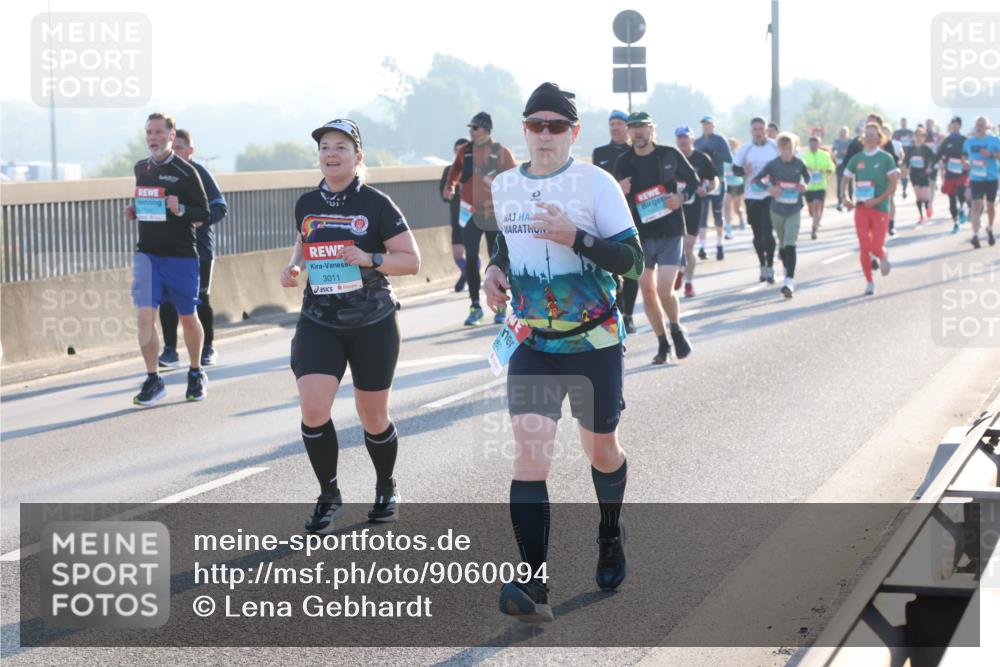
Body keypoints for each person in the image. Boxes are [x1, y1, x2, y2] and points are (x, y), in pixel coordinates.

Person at [482, 82, 644, 622]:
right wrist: (493, 270)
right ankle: (535, 586)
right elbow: (504, 242)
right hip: (533, 343)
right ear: (524, 131)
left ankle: (609, 530)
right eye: (536, 125)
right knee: (530, 459)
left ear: (574, 132)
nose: (545, 134)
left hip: (595, 341)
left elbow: (634, 262)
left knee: (601, 450)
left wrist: (577, 237)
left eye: (556, 125)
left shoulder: (595, 184)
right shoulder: (505, 185)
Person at [281, 119, 421, 531]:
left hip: (372, 320)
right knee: (312, 406)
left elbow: (412, 261)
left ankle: (386, 486)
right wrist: (293, 266)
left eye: (341, 147)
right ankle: (329, 494)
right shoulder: (306, 202)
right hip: (319, 319)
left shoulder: (377, 204)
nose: (331, 153)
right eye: (325, 146)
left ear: (358, 157)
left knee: (372, 415)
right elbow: (305, 241)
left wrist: (370, 258)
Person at [124, 112, 209, 406]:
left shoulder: (186, 172)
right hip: (147, 254)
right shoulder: (141, 168)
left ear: (171, 136)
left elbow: (205, 212)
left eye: (159, 132)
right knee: (144, 316)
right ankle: (153, 378)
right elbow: (145, 201)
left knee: (187, 316)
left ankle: (196, 372)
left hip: (181, 256)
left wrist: (182, 208)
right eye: (149, 132)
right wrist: (134, 210)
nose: (153, 138)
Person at [614, 111, 697, 364]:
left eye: (643, 127)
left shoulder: (668, 154)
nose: (638, 132)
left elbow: (693, 180)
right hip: (640, 235)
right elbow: (611, 200)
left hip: (670, 230)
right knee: (647, 292)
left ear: (652, 130)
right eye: (634, 128)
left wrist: (680, 198)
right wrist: (620, 189)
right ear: (629, 132)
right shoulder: (623, 162)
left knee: (663, 290)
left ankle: (676, 326)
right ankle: (662, 343)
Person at [157, 129, 227, 369]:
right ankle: (169, 351)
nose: (174, 153)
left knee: (199, 299)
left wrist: (199, 219)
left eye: (178, 149)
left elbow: (220, 207)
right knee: (166, 300)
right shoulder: (160, 173)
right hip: (169, 248)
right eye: (171, 148)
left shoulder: (199, 172)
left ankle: (208, 347)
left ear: (190, 151)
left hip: (199, 250)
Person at [443, 112, 517, 325]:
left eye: (474, 128)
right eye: (470, 128)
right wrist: (450, 186)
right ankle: (475, 306)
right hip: (471, 214)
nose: (471, 131)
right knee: (472, 260)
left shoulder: (501, 152)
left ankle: (501, 307)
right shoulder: (465, 151)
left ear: (485, 129)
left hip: (494, 215)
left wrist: (496, 181)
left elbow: (515, 180)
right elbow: (454, 171)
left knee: (498, 261)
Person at [593, 110, 638, 332]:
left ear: (627, 127)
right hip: (603, 219)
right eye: (612, 123)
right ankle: (615, 312)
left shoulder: (634, 153)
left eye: (619, 123)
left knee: (630, 269)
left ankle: (628, 314)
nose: (615, 127)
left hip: (630, 218)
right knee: (609, 270)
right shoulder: (600, 153)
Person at [843, 122, 899, 295]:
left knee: (875, 246)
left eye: (873, 135)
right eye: (867, 135)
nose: (869, 138)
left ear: (879, 138)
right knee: (864, 246)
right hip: (861, 208)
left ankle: (881, 254)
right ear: (863, 137)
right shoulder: (857, 159)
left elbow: (893, 185)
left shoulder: (886, 158)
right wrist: (845, 197)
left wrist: (877, 200)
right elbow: (845, 180)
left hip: (880, 208)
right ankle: (869, 281)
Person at [752, 133, 810, 298]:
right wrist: (768, 189)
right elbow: (755, 181)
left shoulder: (799, 163)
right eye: (783, 148)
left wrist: (805, 184)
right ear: (778, 149)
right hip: (776, 210)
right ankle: (787, 271)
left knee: (791, 243)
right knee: (783, 244)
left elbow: (807, 176)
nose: (786, 151)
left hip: (794, 209)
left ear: (794, 148)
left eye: (789, 148)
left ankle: (788, 282)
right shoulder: (773, 165)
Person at [733, 117, 779, 283]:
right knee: (757, 235)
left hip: (770, 196)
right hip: (752, 196)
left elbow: (784, 164)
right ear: (751, 131)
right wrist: (742, 170)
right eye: (755, 129)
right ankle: (762, 264)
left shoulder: (774, 146)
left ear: (766, 130)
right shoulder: (746, 148)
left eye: (761, 129)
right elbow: (735, 169)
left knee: (768, 233)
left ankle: (771, 266)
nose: (758, 132)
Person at [676, 126, 718, 298]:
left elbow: (714, 180)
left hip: (694, 208)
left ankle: (688, 283)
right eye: (680, 138)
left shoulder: (701, 159)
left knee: (688, 248)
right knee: (676, 248)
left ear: (692, 139)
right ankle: (679, 270)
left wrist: (706, 188)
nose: (683, 141)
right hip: (674, 209)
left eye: (686, 138)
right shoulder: (672, 158)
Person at [694, 115, 733, 260]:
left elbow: (729, 158)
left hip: (718, 180)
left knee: (717, 214)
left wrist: (714, 153)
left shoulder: (719, 140)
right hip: (703, 182)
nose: (706, 126)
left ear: (713, 125)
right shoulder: (697, 142)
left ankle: (719, 245)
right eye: (704, 124)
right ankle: (702, 247)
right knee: (702, 215)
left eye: (709, 124)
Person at [962, 115, 1000, 248]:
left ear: (987, 127)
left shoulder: (994, 140)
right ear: (975, 126)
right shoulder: (969, 142)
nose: (979, 127)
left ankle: (989, 228)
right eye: (978, 124)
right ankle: (975, 235)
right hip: (976, 178)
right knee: (976, 205)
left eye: (982, 124)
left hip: (991, 177)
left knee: (990, 206)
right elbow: (964, 157)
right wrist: (965, 163)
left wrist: (991, 155)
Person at [439, 138, 470, 292]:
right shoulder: (449, 171)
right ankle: (468, 274)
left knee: (471, 252)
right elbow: (444, 196)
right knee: (458, 255)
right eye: (457, 151)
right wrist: (449, 192)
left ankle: (467, 276)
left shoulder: (475, 170)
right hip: (456, 217)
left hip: (472, 218)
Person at [938, 116, 969, 234]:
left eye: (956, 125)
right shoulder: (946, 141)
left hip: (962, 172)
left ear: (960, 126)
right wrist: (940, 161)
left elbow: (969, 153)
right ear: (950, 127)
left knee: (961, 191)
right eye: (952, 125)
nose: (954, 127)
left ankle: (962, 207)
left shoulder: (964, 140)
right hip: (950, 173)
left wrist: (966, 161)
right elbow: (939, 154)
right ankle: (955, 222)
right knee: (951, 199)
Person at [801, 135, 836, 240]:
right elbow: (800, 169)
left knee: (817, 206)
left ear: (819, 145)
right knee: (811, 210)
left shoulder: (824, 155)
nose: (814, 146)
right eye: (812, 144)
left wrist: (827, 170)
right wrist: (807, 170)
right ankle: (815, 220)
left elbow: (832, 167)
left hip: (821, 185)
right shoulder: (804, 156)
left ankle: (814, 229)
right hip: (809, 186)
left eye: (816, 144)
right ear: (809, 145)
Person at [905, 128, 938, 224]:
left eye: (921, 136)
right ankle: (921, 216)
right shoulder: (911, 149)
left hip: (924, 174)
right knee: (918, 196)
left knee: (925, 196)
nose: (919, 138)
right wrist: (907, 168)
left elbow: (934, 160)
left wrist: (930, 168)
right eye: (917, 136)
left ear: (924, 138)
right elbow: (906, 160)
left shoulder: (926, 149)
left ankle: (928, 207)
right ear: (913, 137)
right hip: (914, 174)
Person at [724, 137, 746, 236]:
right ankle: (728, 228)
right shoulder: (723, 156)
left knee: (736, 208)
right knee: (727, 206)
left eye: (732, 144)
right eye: (728, 144)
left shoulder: (738, 155)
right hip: (727, 184)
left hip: (737, 183)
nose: (730, 146)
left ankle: (741, 216)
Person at [893, 118, 915, 199]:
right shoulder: (897, 133)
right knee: (903, 172)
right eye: (902, 122)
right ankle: (904, 189)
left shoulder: (910, 132)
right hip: (900, 155)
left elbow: (914, 142)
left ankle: (905, 188)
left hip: (909, 154)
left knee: (905, 172)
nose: (903, 124)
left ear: (906, 123)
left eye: (904, 122)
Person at [832, 127, 852, 210]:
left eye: (844, 132)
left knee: (849, 183)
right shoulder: (836, 141)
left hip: (848, 164)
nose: (842, 133)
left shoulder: (850, 141)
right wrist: (834, 161)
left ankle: (850, 200)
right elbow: (833, 152)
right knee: (839, 182)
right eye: (841, 132)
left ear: (847, 133)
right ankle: (840, 201)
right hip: (839, 164)